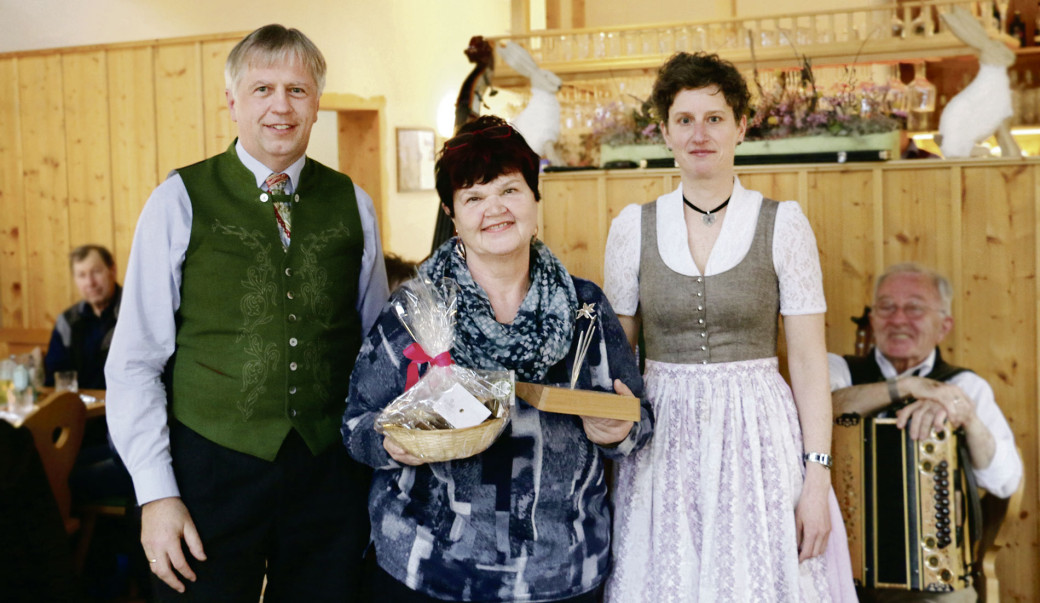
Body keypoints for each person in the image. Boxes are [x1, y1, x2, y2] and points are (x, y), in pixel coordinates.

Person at [105, 24, 389, 602]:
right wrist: (156, 494)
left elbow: (375, 354)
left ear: (316, 106)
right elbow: (134, 361)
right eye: (262, 90)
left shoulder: (354, 204)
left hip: (327, 473)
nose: (280, 107)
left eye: (297, 90)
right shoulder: (178, 200)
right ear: (232, 102)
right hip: (209, 469)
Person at [342, 115, 654, 603]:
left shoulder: (585, 310)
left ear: (534, 196)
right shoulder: (415, 311)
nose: (495, 210)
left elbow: (639, 418)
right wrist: (390, 444)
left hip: (561, 572)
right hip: (429, 571)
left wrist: (621, 429)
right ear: (452, 210)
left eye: (509, 190)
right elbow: (356, 425)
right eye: (473, 197)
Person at [602, 52, 856, 602]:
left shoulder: (783, 225)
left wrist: (817, 478)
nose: (700, 133)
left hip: (758, 438)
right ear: (664, 131)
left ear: (741, 126)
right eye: (685, 119)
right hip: (660, 443)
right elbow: (615, 363)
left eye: (715, 118)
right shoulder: (632, 229)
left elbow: (811, 364)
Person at [828, 262, 1023, 603]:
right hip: (843, 572)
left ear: (943, 326)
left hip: (934, 580)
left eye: (914, 308)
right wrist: (909, 387)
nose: (898, 319)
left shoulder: (964, 386)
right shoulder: (839, 370)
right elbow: (825, 406)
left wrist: (966, 417)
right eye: (886, 307)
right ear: (873, 320)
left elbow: (1004, 481)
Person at [44, 244, 121, 389]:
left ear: (113, 271)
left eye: (96, 272)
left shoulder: (132, 313)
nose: (90, 283)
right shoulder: (67, 322)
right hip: (80, 409)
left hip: (128, 407)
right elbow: (55, 377)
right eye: (82, 275)